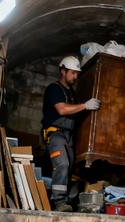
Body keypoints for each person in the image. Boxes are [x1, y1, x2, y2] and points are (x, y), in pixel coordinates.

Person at [41, 56, 101, 212]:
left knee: (69, 170)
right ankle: (59, 201)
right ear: (63, 71)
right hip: (55, 135)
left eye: (76, 73)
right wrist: (85, 105)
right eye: (73, 73)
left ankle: (65, 200)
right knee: (63, 164)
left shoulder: (71, 92)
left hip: (68, 136)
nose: (75, 77)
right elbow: (62, 109)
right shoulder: (54, 89)